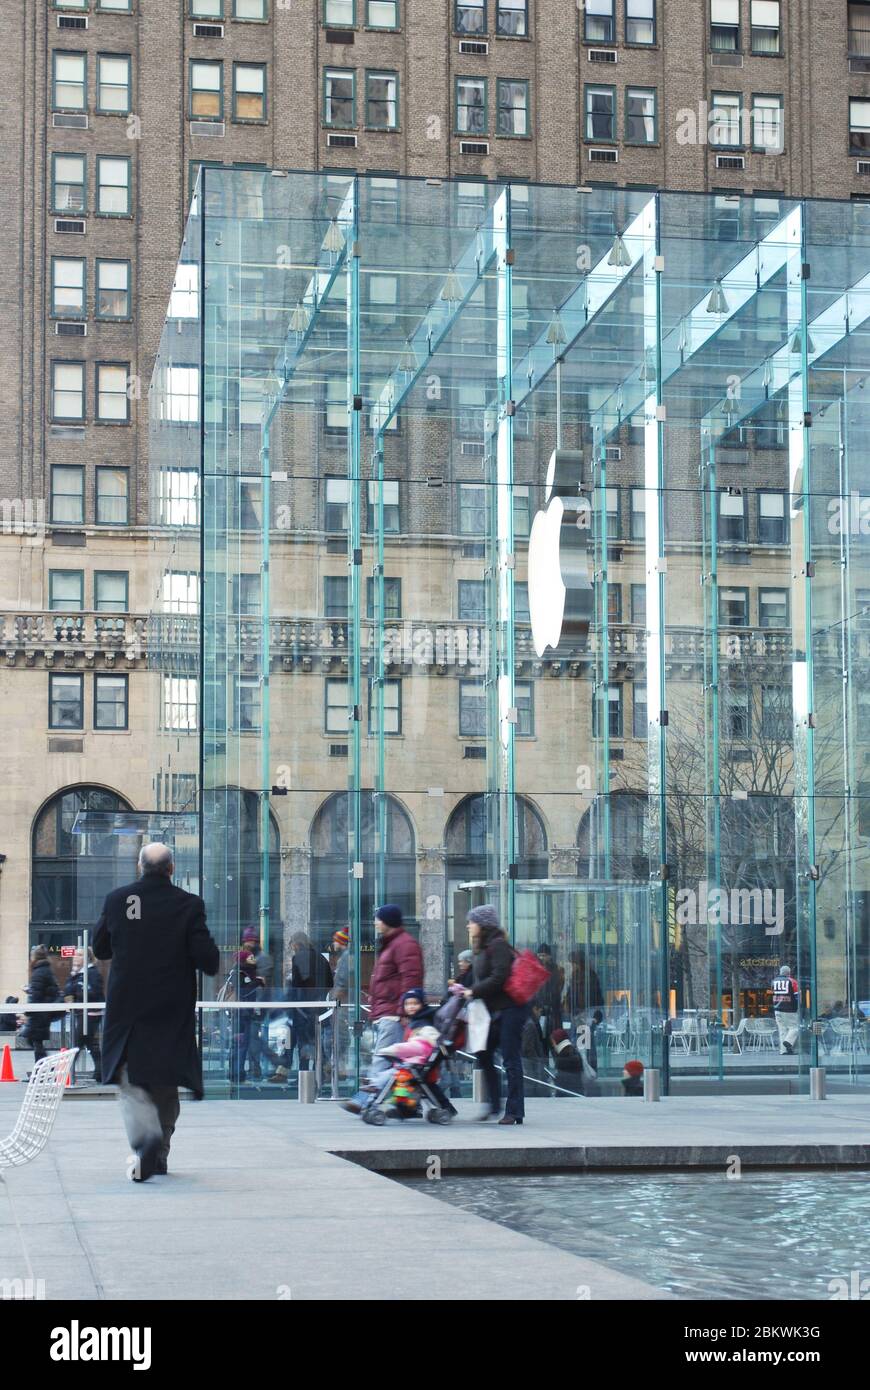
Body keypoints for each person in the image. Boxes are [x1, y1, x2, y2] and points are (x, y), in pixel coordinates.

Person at [93, 841, 219, 1183]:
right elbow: (209, 962)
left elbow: (100, 947)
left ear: (139, 867)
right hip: (170, 1008)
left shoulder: (118, 900)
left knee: (131, 1077)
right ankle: (158, 1151)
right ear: (171, 869)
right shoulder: (189, 905)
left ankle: (145, 1141)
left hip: (127, 1008)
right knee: (165, 1081)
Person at [342, 904, 423, 1114]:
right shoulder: (392, 944)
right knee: (393, 1060)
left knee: (382, 1057)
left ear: (387, 921)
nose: (376, 922)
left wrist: (404, 1011)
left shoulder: (403, 945)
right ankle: (409, 1104)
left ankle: (364, 1101)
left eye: (378, 919)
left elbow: (411, 978)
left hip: (394, 1013)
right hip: (388, 1010)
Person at [464, 903, 529, 1126]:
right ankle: (493, 1105)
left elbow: (499, 976)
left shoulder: (498, 945)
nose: (468, 926)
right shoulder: (484, 948)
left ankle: (514, 1111)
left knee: (511, 1059)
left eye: (471, 922)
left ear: (482, 925)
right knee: (483, 1052)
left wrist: (473, 991)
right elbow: (480, 977)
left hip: (512, 1008)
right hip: (496, 1011)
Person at [268, 932, 333, 1082]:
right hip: (319, 1008)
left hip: (302, 1009)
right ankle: (319, 1073)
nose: (292, 948)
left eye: (291, 945)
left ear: (296, 943)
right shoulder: (322, 958)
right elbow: (330, 983)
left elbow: (298, 984)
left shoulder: (298, 958)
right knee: (315, 1043)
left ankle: (303, 1077)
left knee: (302, 1044)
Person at [229, 929, 265, 1085]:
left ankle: (237, 1074)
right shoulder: (241, 973)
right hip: (242, 1015)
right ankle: (237, 1076)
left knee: (240, 1045)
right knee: (241, 1045)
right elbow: (245, 992)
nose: (253, 958)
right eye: (250, 957)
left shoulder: (246, 973)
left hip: (244, 1014)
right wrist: (258, 982)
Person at [64, 948, 104, 1082]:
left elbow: (93, 992)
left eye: (80, 955)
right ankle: (101, 1072)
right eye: (75, 954)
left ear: (87, 958)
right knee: (90, 1043)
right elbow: (68, 991)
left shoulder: (92, 973)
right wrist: (74, 975)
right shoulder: (77, 974)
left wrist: (78, 989)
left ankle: (65, 1073)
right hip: (82, 1012)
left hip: (91, 1013)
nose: (76, 957)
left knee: (77, 1042)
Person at [20, 946, 60, 1071]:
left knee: (34, 1041)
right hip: (43, 1012)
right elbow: (42, 991)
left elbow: (36, 996)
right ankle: (43, 1069)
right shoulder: (46, 970)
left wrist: (27, 1012)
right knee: (35, 1041)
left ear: (34, 957)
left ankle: (44, 1070)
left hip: (39, 1014)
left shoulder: (38, 972)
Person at [771, 963, 800, 1054]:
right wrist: (797, 1007)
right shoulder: (792, 981)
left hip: (777, 1009)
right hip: (789, 1009)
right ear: (789, 973)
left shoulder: (774, 981)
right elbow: (796, 997)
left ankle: (783, 1050)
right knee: (795, 1028)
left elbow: (773, 993)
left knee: (782, 1030)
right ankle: (788, 1041)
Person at [549, 1028, 586, 1096]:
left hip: (567, 1094)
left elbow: (563, 1080)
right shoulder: (573, 1052)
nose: (553, 1045)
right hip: (577, 1092)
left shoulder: (563, 1057)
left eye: (553, 1042)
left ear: (558, 1042)